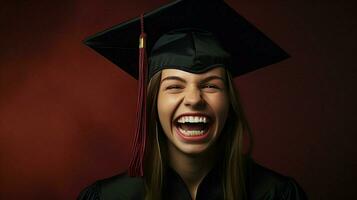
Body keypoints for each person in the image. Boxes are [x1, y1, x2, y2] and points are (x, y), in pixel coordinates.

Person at [78, 0, 307, 199]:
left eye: (210, 85)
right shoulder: (110, 197)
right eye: (175, 86)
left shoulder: (276, 194)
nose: (194, 99)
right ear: (153, 102)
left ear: (230, 102)